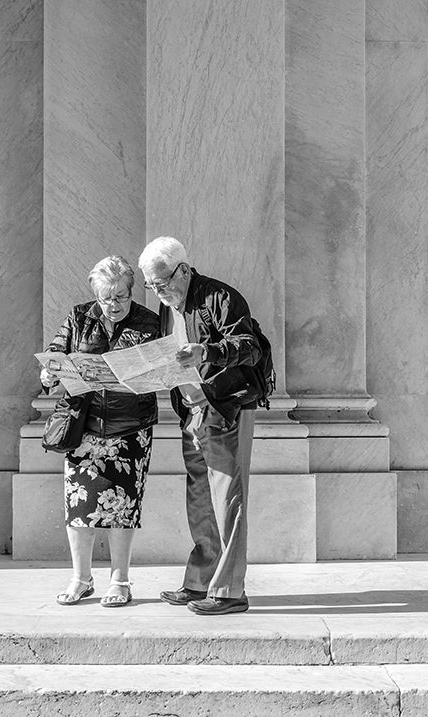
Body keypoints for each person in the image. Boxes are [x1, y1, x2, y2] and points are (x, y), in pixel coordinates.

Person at [137, 236, 263, 616]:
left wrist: (206, 351)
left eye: (163, 283)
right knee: (199, 498)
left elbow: (249, 345)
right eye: (152, 287)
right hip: (191, 410)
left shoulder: (219, 298)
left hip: (224, 406)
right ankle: (199, 582)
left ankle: (229, 591)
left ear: (185, 269)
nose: (160, 293)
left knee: (228, 499)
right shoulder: (167, 307)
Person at [41, 255, 160, 608]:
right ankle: (81, 578)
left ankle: (120, 580)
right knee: (79, 505)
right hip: (85, 425)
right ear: (96, 295)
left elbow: (158, 368)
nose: (113, 305)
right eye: (106, 298)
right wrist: (49, 372)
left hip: (130, 427)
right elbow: (55, 352)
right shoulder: (80, 317)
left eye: (121, 296)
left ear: (131, 291)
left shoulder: (149, 322)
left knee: (123, 507)